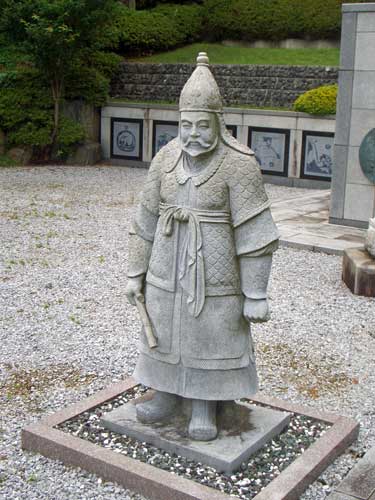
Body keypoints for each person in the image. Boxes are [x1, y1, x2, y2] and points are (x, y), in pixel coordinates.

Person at [125, 53, 279, 441]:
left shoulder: (239, 164)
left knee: (211, 334)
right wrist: (135, 272)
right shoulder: (164, 159)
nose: (192, 133)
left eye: (201, 125)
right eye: (186, 124)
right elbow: (144, 219)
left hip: (216, 273)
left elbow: (256, 233)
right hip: (165, 266)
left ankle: (204, 405)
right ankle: (165, 394)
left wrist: (256, 293)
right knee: (162, 331)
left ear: (218, 123)